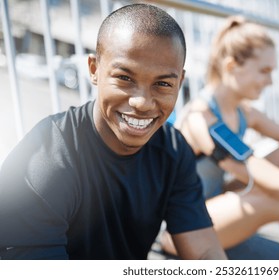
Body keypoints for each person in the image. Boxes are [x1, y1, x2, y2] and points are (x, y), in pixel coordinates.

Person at [0, 3, 226, 260]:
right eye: (125, 78)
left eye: (162, 83)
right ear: (95, 69)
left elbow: (205, 253)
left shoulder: (173, 151)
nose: (142, 102)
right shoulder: (46, 158)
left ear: (180, 83)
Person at [160, 16, 279, 260]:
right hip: (181, 229)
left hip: (213, 208)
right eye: (264, 71)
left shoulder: (244, 112)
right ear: (232, 67)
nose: (270, 81)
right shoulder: (203, 120)